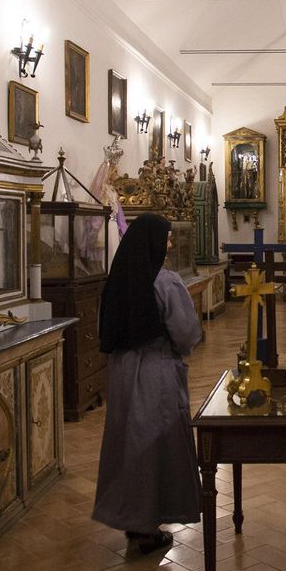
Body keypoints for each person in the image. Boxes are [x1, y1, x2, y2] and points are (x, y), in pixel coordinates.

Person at [92, 213, 202, 553]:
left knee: (127, 444)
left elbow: (105, 328)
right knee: (155, 446)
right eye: (166, 237)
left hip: (122, 373)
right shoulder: (165, 281)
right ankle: (148, 522)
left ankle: (131, 519)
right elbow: (186, 333)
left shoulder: (117, 280)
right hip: (156, 372)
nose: (170, 242)